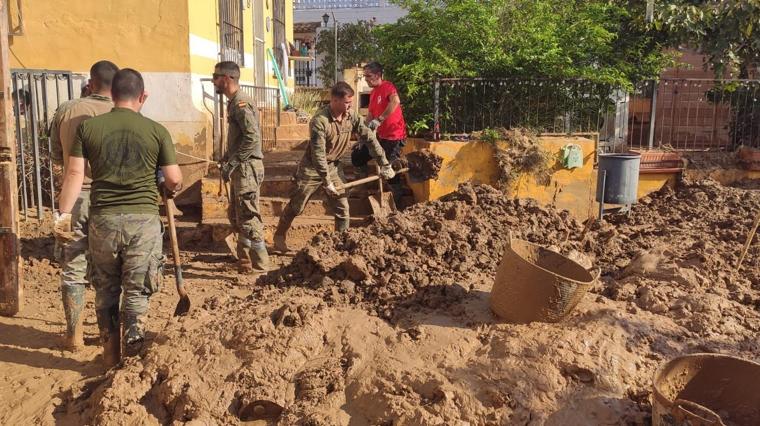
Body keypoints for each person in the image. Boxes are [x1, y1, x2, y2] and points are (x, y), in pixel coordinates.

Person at [55, 68, 182, 367]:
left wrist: (63, 217)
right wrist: (168, 186)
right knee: (137, 290)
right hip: (143, 222)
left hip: (103, 221)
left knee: (106, 289)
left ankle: (110, 358)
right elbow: (174, 178)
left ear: (111, 94)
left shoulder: (89, 129)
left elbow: (74, 174)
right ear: (142, 96)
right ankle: (132, 360)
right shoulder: (157, 130)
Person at [273, 82, 395, 252]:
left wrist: (384, 163)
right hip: (312, 168)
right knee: (297, 206)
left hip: (334, 167)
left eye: (351, 102)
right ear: (335, 100)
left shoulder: (351, 116)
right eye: (347, 102)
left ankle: (341, 244)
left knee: (342, 208)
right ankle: (279, 236)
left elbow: (369, 138)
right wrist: (326, 181)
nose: (350, 105)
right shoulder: (319, 121)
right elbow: (318, 154)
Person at [49, 60, 119, 351]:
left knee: (72, 264)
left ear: (90, 82)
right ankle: (108, 338)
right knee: (108, 269)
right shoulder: (122, 112)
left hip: (73, 198)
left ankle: (73, 335)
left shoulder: (67, 109)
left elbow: (55, 153)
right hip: (111, 200)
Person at [213, 61, 271, 274]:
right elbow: (240, 139)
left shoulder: (241, 103)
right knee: (237, 213)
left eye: (215, 76)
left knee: (247, 214)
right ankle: (245, 261)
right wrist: (227, 158)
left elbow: (252, 137)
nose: (213, 81)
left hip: (247, 167)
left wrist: (233, 162)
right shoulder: (234, 102)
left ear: (227, 78)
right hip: (242, 166)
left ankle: (261, 264)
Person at [351, 62, 408, 206]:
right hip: (380, 137)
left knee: (387, 165)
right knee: (357, 155)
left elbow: (395, 101)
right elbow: (370, 115)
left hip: (394, 136)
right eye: (365, 76)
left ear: (377, 75)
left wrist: (380, 119)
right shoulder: (373, 93)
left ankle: (396, 194)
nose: (366, 79)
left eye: (369, 76)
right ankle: (362, 188)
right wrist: (363, 135)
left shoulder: (387, 86)